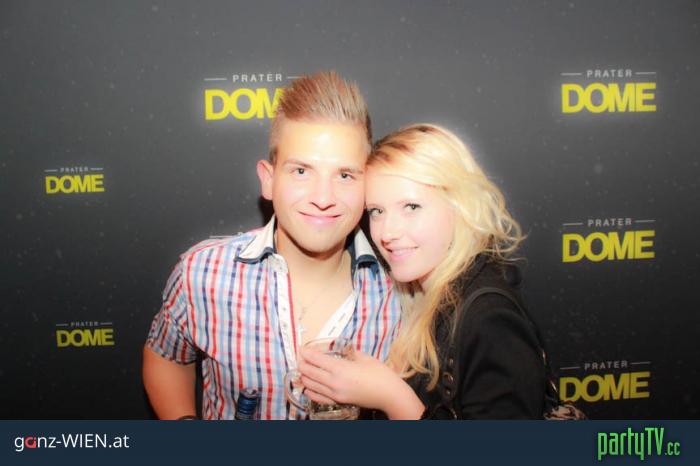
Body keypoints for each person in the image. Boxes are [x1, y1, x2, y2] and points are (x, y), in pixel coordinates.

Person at [142, 71, 401, 420]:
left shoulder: (402, 294)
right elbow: (165, 356)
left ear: (367, 186)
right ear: (268, 180)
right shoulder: (202, 273)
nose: (323, 197)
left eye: (344, 175)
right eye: (301, 171)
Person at [298, 124, 547, 419]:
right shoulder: (422, 297)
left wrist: (391, 396)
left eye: (411, 207)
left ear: (460, 205)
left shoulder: (489, 318)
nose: (387, 232)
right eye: (377, 211)